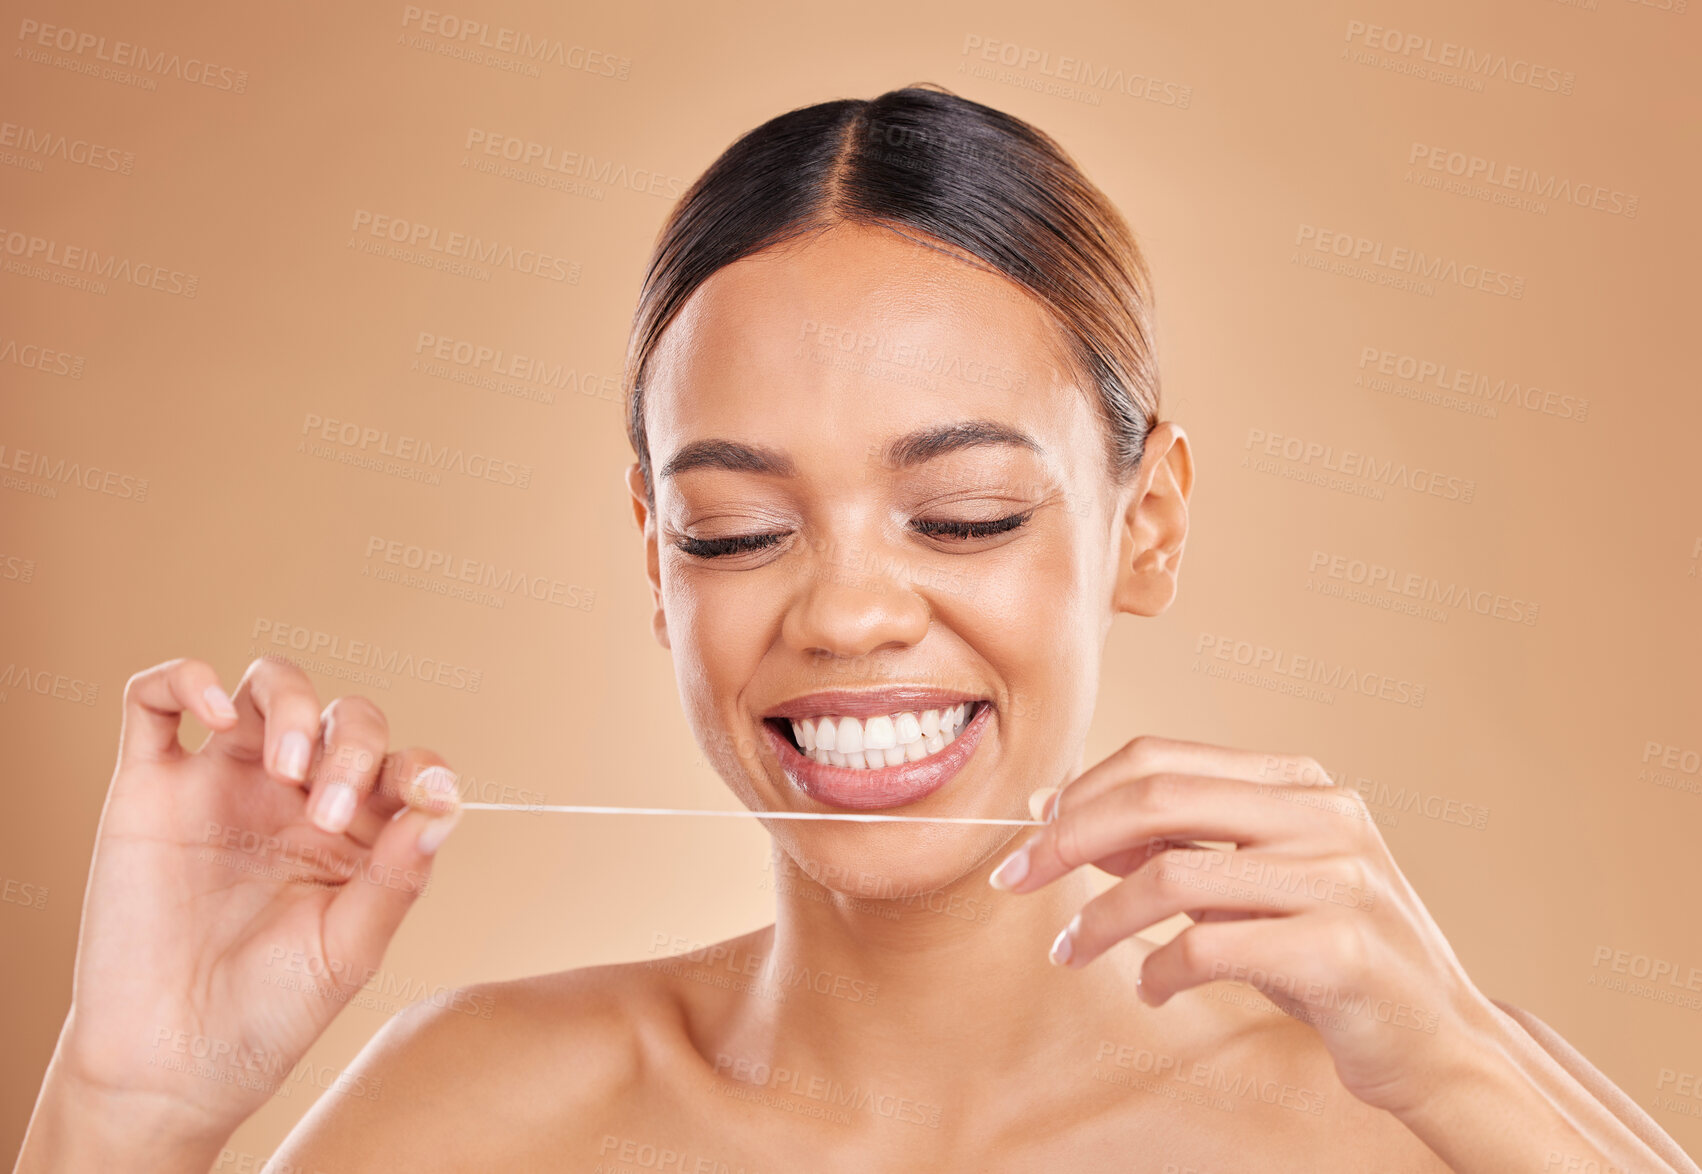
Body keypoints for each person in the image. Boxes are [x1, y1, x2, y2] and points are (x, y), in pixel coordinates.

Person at [15, 85, 1696, 1174]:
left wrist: (1476, 1077)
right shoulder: (481, 1113)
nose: (846, 610)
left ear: (1148, 520)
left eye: (961, 512)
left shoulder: (1397, 1117)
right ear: (652, 555)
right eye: (737, 529)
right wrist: (126, 1109)